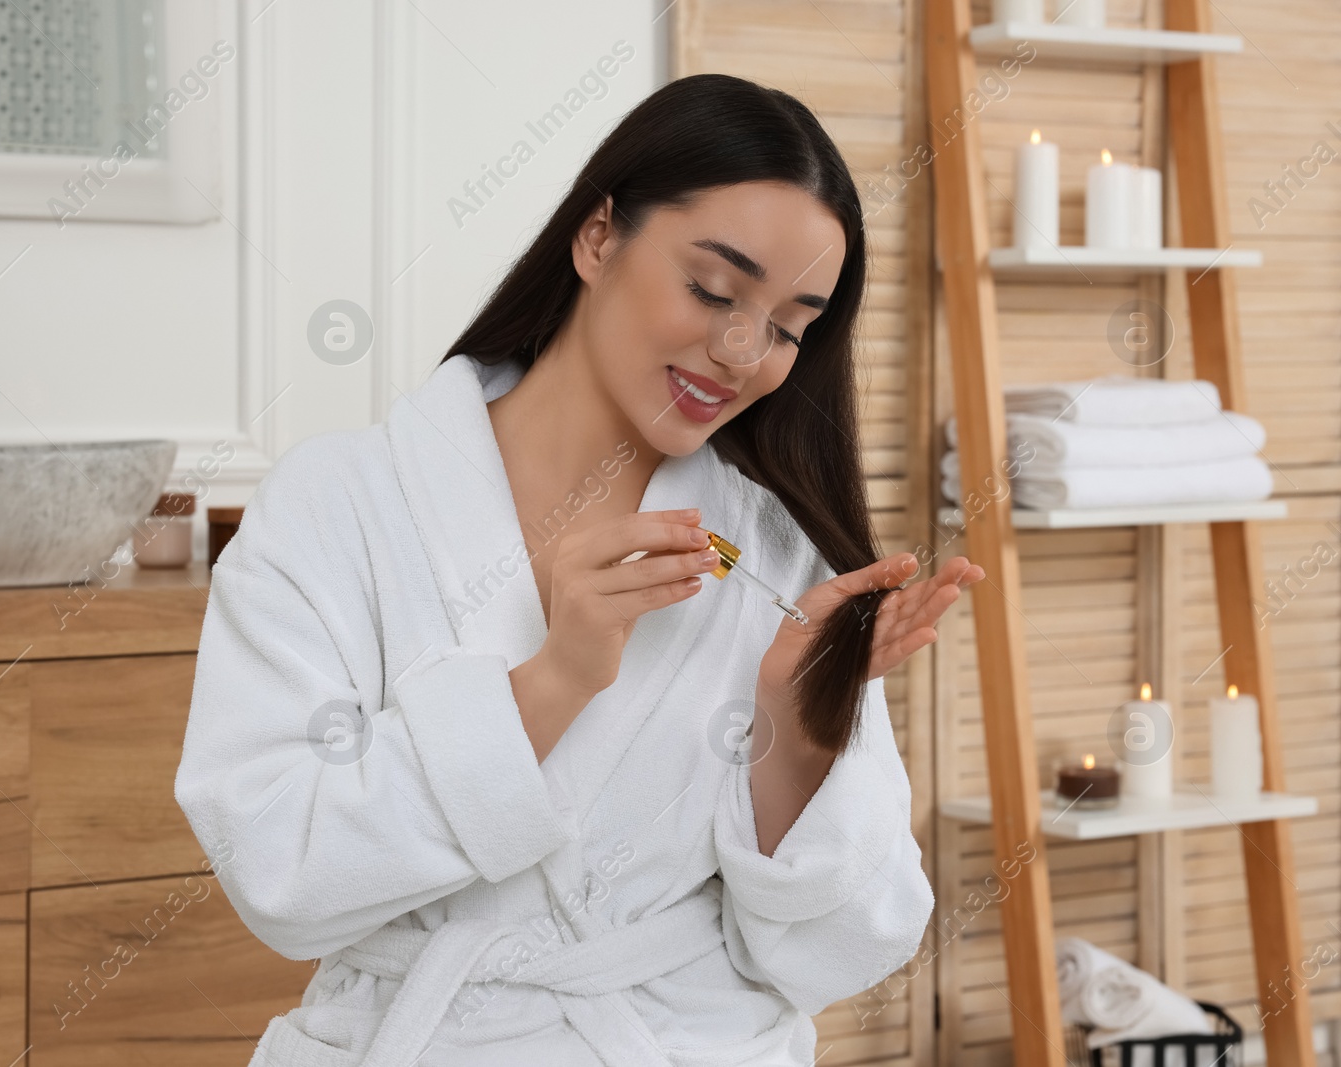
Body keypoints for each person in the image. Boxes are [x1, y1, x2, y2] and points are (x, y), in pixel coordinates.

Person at [175, 71, 984, 1067]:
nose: (741, 350)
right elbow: (278, 871)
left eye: (787, 326)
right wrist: (552, 679)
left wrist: (798, 728)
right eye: (714, 290)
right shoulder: (337, 504)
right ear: (598, 236)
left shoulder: (776, 554)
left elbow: (841, 946)